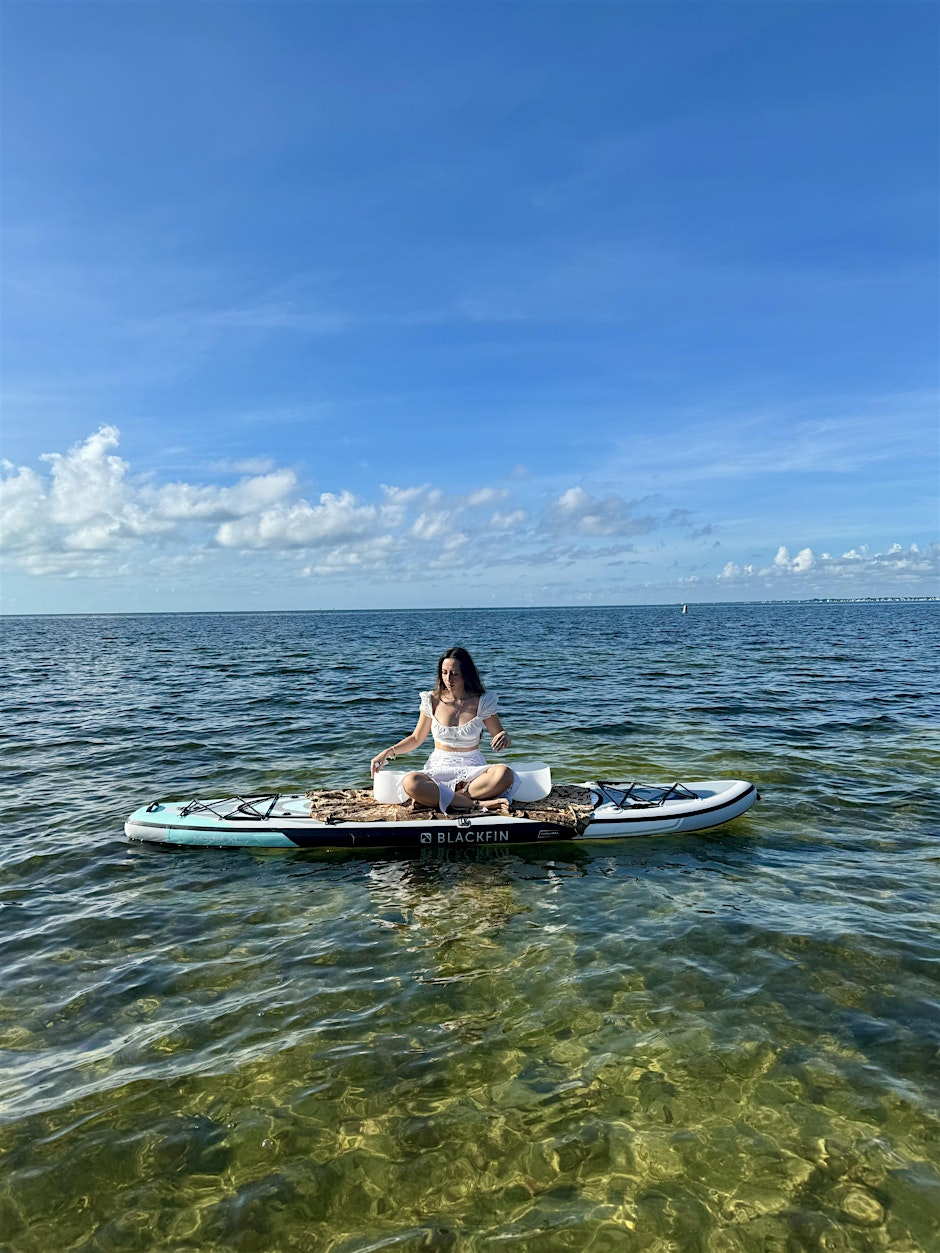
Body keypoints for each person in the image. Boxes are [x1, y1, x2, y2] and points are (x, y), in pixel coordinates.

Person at [370, 647, 516, 814]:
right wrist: (387, 752)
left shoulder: (483, 701)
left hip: (473, 770)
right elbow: (416, 738)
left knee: (505, 774)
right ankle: (476, 804)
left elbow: (500, 734)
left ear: (466, 674)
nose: (448, 678)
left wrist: (505, 736)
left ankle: (444, 798)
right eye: (444, 672)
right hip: (438, 767)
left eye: (454, 673)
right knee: (410, 782)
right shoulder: (431, 700)